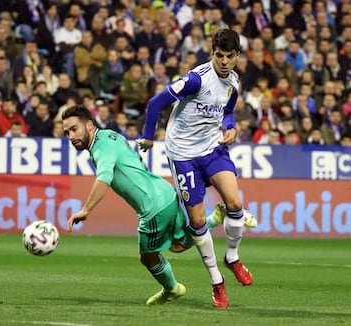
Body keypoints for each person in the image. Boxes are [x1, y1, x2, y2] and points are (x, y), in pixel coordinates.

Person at [62, 104, 254, 306]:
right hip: (165, 193)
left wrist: (85, 210)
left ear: (90, 125)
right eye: (67, 132)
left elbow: (105, 178)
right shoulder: (109, 135)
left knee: (147, 257)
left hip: (152, 208)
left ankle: (172, 289)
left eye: (74, 129)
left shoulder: (102, 148)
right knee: (178, 245)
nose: (70, 136)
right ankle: (216, 217)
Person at [137, 29, 253, 309]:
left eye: (229, 56)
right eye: (219, 55)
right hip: (183, 155)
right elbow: (156, 103)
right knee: (199, 222)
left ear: (237, 57)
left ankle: (233, 258)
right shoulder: (196, 80)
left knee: (235, 203)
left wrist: (230, 128)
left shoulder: (234, 82)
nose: (224, 61)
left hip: (212, 149)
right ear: (212, 53)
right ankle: (217, 283)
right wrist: (149, 136)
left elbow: (227, 111)